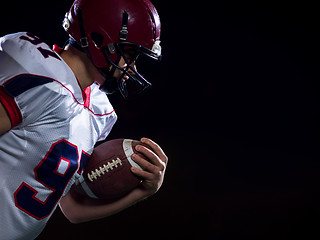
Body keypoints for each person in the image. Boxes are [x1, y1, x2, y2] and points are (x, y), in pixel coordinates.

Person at [0, 0, 168, 239]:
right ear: (101, 42)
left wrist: (143, 191)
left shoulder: (99, 111)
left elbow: (72, 210)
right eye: (129, 53)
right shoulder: (38, 76)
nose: (132, 67)